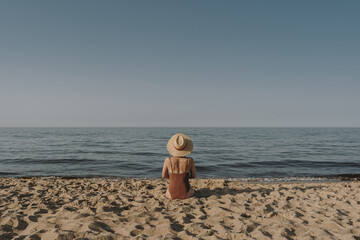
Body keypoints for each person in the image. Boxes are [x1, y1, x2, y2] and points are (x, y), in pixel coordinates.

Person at [162, 133, 196, 199]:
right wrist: (183, 178)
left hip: (171, 194)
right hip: (186, 193)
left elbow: (164, 176)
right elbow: (193, 176)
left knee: (169, 189)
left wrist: (174, 179)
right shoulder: (190, 160)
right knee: (191, 189)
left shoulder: (167, 160)